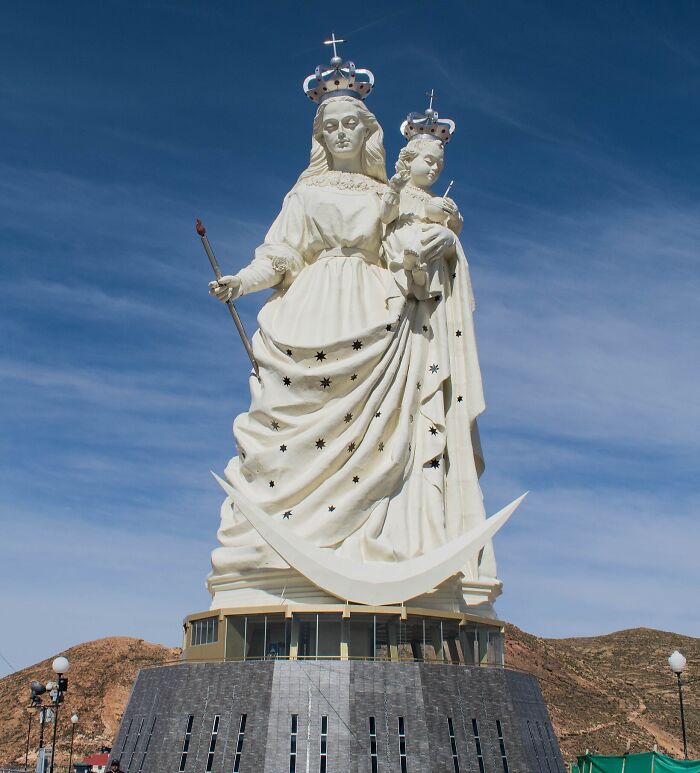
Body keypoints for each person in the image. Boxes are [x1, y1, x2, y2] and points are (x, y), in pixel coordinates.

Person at [207, 78, 495, 606]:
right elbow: (280, 253)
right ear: (319, 135)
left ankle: (371, 540)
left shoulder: (386, 194)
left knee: (385, 435)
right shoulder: (305, 191)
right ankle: (271, 558)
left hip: (374, 309)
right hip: (308, 311)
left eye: (350, 125)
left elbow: (400, 244)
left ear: (368, 133)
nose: (341, 133)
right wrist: (241, 282)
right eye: (330, 126)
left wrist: (435, 243)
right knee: (284, 427)